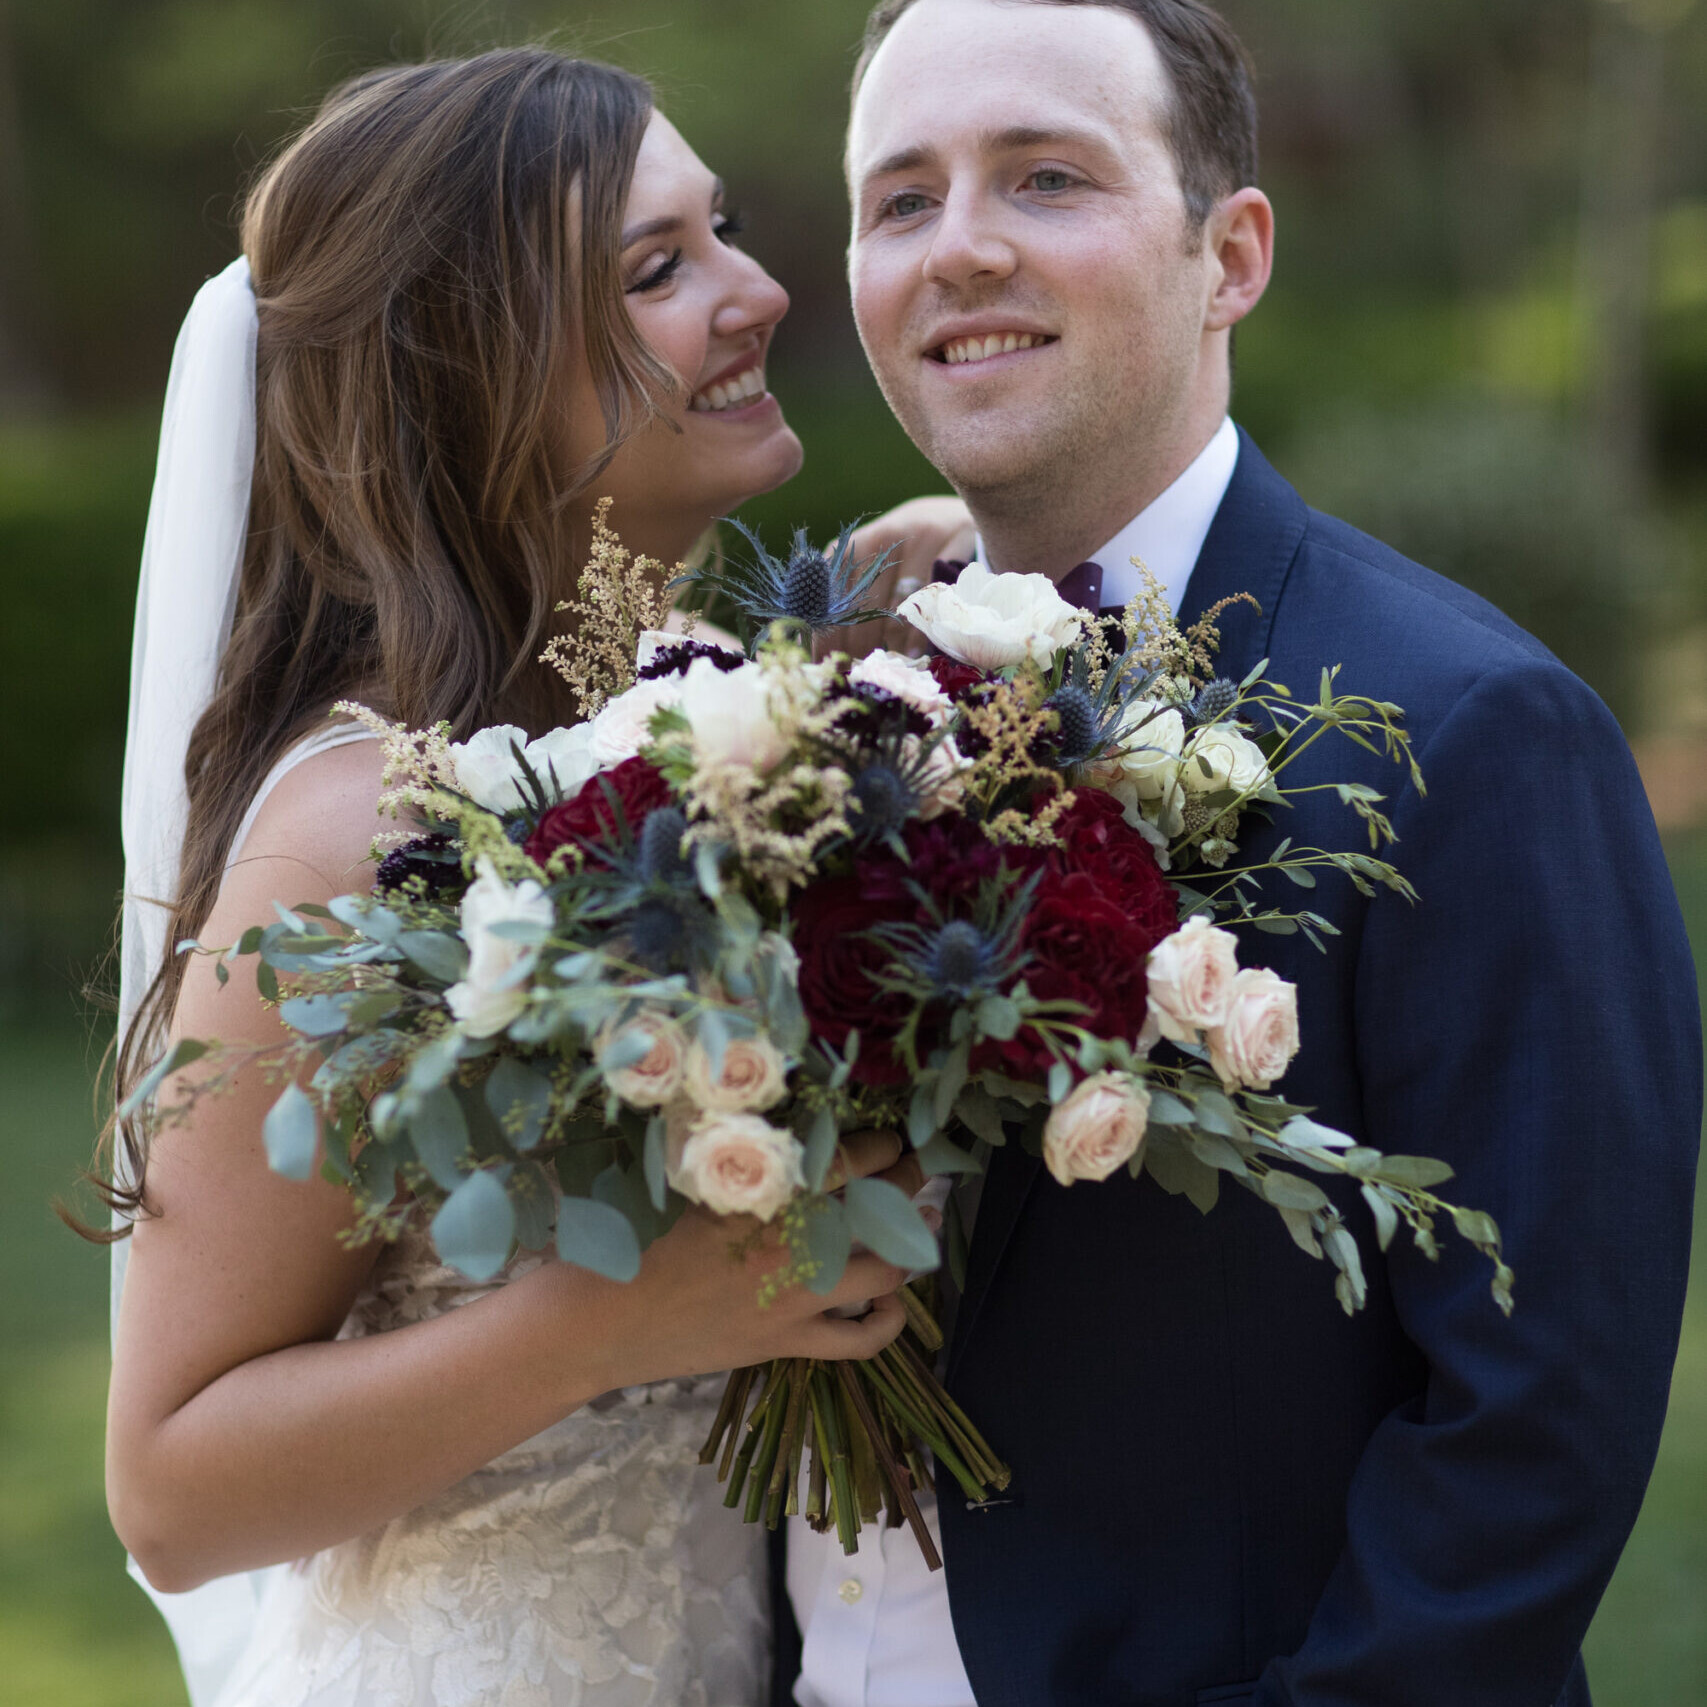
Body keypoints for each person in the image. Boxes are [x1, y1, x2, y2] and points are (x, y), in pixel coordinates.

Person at [775, 3, 1704, 1704]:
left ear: (1235, 253)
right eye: (900, 201)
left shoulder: (1476, 730)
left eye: (1045, 177)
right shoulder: (808, 718)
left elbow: (1534, 1426)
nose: (961, 245)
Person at [101, 47, 963, 1707]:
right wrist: (613, 1322)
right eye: (660, 269)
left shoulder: (675, 718)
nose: (764, 291)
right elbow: (168, 1492)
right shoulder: (349, 826)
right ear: (468, 371)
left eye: (723, 231)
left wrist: (868, 671)